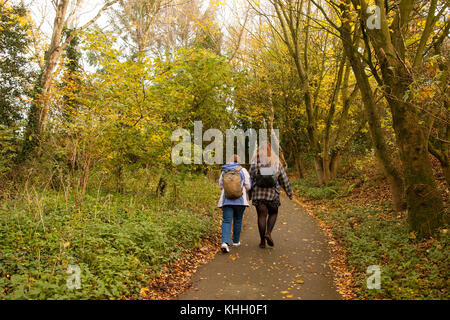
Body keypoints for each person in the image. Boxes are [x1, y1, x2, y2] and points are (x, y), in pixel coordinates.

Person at [249, 141, 293, 248]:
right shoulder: (275, 162)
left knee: (261, 216)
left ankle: (262, 242)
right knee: (273, 213)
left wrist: (248, 194)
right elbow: (284, 179)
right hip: (272, 194)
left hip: (259, 194)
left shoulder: (255, 162)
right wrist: (289, 193)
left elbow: (250, 177)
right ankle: (268, 233)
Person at [218, 154, 251, 253]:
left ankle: (225, 242)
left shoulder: (224, 170)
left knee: (227, 221)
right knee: (238, 219)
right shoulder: (243, 170)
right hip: (240, 201)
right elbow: (248, 186)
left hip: (227, 200)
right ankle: (236, 241)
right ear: (239, 161)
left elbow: (220, 185)